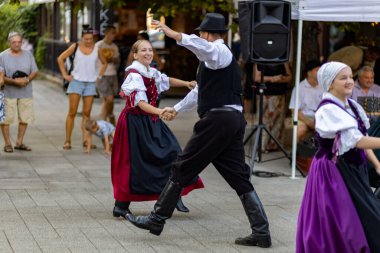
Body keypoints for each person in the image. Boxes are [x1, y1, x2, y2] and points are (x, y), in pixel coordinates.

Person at [126, 13, 272, 248]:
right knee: (237, 175)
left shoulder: (220, 52)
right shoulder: (212, 62)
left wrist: (174, 34)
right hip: (230, 120)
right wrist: (175, 108)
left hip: (218, 121)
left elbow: (205, 49)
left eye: (201, 34)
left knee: (182, 165)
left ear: (206, 33)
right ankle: (262, 232)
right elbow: (198, 92)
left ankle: (156, 220)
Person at [111, 39, 204, 218]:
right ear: (135, 54)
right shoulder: (134, 74)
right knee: (135, 164)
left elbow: (165, 80)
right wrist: (161, 111)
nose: (148, 53)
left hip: (150, 120)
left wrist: (186, 83)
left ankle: (172, 193)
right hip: (134, 123)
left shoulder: (150, 71)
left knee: (173, 152)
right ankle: (121, 205)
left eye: (150, 50)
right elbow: (140, 103)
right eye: (143, 50)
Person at [296, 62, 380, 253]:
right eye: (343, 78)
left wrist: (376, 164)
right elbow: (356, 140)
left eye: (350, 76)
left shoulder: (352, 105)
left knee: (365, 217)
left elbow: (360, 138)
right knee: (344, 224)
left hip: (353, 169)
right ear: (329, 83)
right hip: (333, 173)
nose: (350, 81)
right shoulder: (328, 109)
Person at [57, 25, 107, 150]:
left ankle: (86, 140)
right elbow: (60, 58)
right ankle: (67, 141)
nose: (89, 41)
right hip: (76, 82)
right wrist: (64, 75)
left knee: (86, 114)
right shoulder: (75, 47)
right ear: (82, 38)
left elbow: (104, 63)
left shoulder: (97, 49)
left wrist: (99, 76)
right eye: (86, 39)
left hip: (90, 84)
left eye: (91, 39)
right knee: (72, 112)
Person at [0, 32, 38, 153]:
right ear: (9, 43)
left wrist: (26, 79)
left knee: (25, 118)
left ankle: (19, 142)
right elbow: (0, 76)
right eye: (14, 42)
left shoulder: (28, 55)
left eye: (19, 42)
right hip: (8, 92)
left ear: (22, 42)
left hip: (26, 92)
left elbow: (35, 71)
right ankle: (7, 144)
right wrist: (15, 82)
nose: (17, 44)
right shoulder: (2, 56)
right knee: (6, 119)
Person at [254, 63, 292, 151]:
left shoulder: (283, 61)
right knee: (264, 121)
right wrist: (272, 79)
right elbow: (256, 77)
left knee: (278, 121)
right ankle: (263, 145)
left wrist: (279, 79)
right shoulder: (260, 60)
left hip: (279, 95)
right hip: (265, 95)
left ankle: (275, 145)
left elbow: (289, 77)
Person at [289, 60, 323, 142]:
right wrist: (309, 123)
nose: (320, 72)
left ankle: (326, 153)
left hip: (320, 117)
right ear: (309, 73)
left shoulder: (324, 87)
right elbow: (294, 110)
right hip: (303, 117)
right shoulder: (299, 88)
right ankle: (297, 152)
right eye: (317, 70)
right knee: (301, 130)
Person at [95, 25, 120, 126]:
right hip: (102, 75)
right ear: (106, 33)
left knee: (108, 100)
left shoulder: (114, 46)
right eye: (112, 33)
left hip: (112, 74)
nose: (114, 35)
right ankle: (106, 121)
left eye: (114, 33)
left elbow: (117, 61)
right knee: (108, 99)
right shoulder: (99, 45)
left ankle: (107, 121)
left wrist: (114, 60)